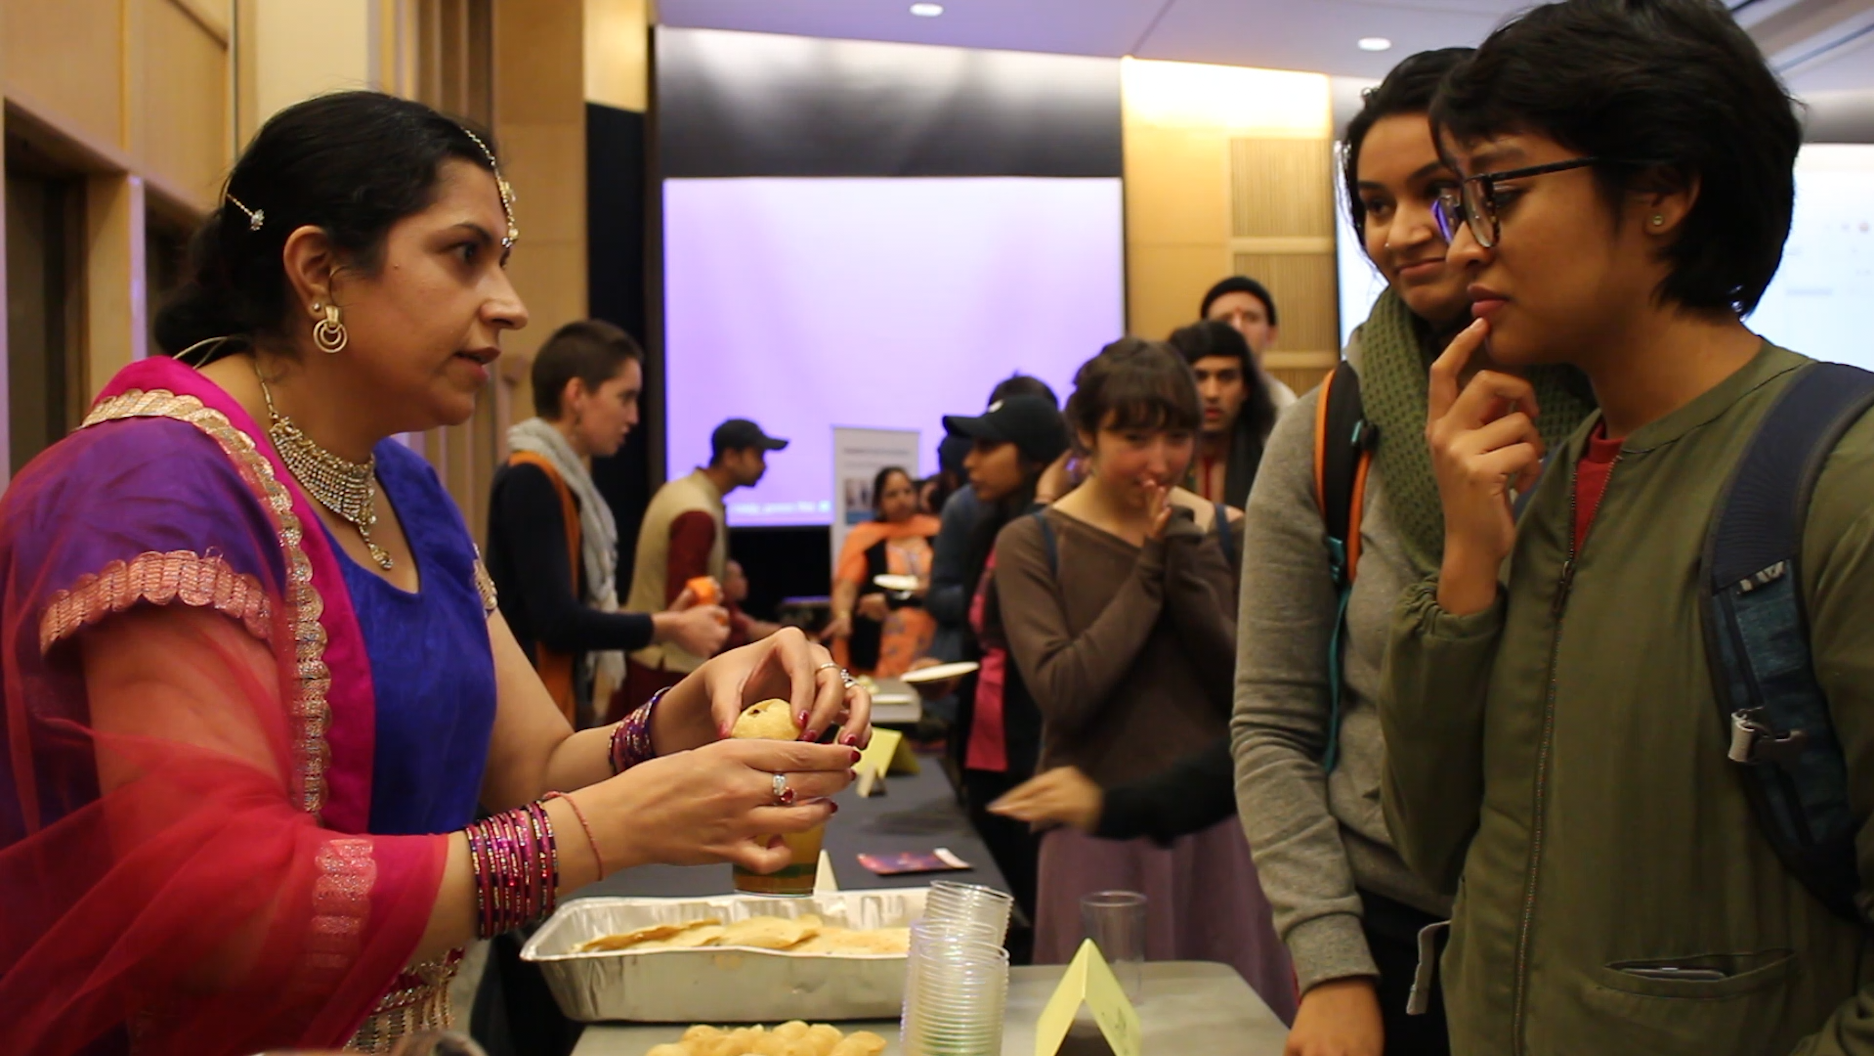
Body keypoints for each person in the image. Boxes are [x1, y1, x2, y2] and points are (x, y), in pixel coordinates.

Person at [0, 92, 870, 1056]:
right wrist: (604, 834)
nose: (510, 303)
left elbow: (529, 771)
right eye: (465, 256)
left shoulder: (402, 488)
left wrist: (686, 713)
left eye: (501, 260)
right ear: (319, 269)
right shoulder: (159, 488)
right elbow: (223, 900)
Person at [1381, 3, 1873, 1053]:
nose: (1465, 245)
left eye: (1497, 194)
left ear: (1659, 191)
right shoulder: (1557, 481)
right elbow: (1435, 844)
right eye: (1458, 203)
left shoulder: (1840, 478)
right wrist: (1467, 562)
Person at [992, 339, 1295, 1020]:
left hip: (1220, 822)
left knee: (1231, 1023)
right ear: (1086, 436)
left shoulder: (1226, 532)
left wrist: (1183, 561)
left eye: (1177, 437)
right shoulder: (1033, 542)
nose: (1158, 461)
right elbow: (1067, 690)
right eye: (1134, 438)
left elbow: (1250, 691)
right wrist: (1152, 568)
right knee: (1103, 1026)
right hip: (1092, 821)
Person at [487, 319, 727, 727]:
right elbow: (556, 621)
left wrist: (667, 621)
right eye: (625, 397)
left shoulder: (559, 478)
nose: (633, 416)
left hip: (548, 702)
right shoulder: (532, 477)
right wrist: (667, 626)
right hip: (529, 713)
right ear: (577, 395)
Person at [939, 391, 1071, 948]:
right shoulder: (984, 529)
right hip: (982, 735)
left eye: (990, 446)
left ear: (1036, 457)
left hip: (1032, 741)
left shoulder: (1053, 534)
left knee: (1035, 898)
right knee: (991, 892)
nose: (971, 459)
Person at [618, 418, 788, 719]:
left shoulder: (686, 492)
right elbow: (691, 608)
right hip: (668, 669)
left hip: (655, 660)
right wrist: (750, 631)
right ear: (731, 457)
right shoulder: (697, 514)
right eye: (758, 455)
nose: (765, 466)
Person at [822, 466, 942, 677]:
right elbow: (847, 585)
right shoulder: (866, 538)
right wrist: (842, 615)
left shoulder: (935, 531)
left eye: (907, 491)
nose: (902, 499)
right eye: (892, 494)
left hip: (931, 632)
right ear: (878, 501)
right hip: (884, 640)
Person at [1170, 320, 1281, 508]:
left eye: (1226, 377)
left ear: (1246, 388)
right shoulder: (1154, 463)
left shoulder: (1273, 458)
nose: (1212, 393)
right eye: (1199, 377)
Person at [1199, 275, 1298, 409]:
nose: (1237, 328)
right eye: (1225, 319)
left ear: (1271, 334)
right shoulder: (1187, 399)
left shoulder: (1284, 404)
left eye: (1251, 318)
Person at [723, 558, 784, 649]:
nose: (745, 582)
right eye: (740, 576)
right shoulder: (723, 611)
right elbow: (755, 631)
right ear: (724, 581)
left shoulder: (734, 609)